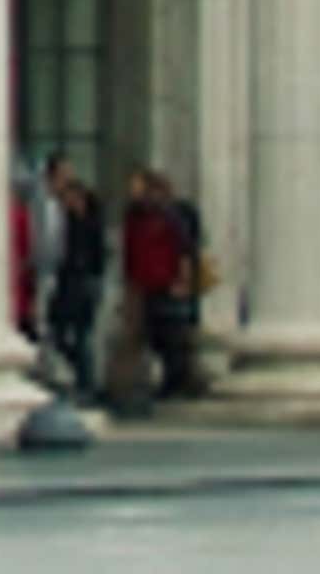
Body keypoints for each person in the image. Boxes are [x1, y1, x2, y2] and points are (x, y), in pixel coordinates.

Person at [121, 169, 201, 404]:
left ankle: (176, 381)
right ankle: (170, 380)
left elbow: (184, 250)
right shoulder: (135, 217)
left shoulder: (171, 217)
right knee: (155, 335)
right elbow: (131, 253)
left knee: (172, 337)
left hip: (168, 283)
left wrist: (183, 281)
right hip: (146, 284)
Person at [42, 159, 108, 398]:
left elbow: (97, 256)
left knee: (81, 334)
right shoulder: (66, 220)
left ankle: (86, 381)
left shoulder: (89, 223)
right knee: (61, 332)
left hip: (82, 282)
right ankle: (83, 376)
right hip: (68, 281)